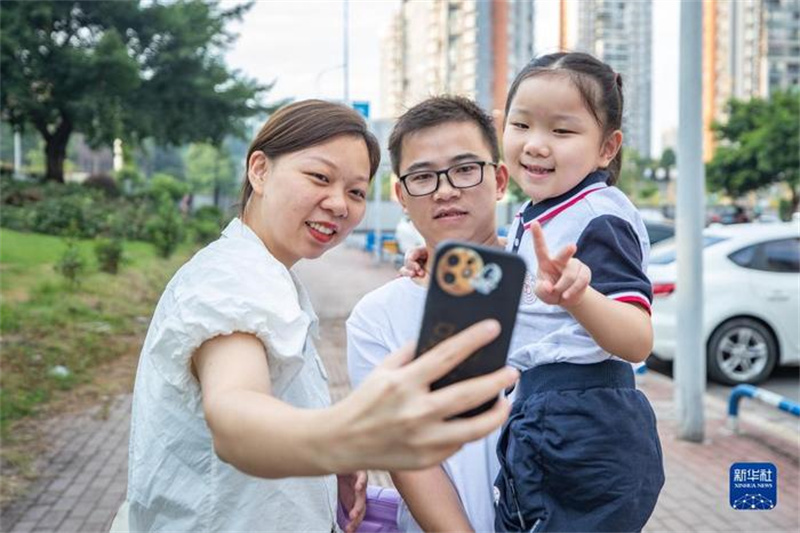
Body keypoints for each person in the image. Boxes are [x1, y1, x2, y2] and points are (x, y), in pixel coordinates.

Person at [124, 100, 518, 533]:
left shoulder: (267, 275)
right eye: (319, 177)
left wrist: (331, 463)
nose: (338, 204)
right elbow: (233, 414)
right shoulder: (229, 281)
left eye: (355, 191)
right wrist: (341, 438)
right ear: (260, 170)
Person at [493, 52, 665, 532]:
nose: (535, 145)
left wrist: (580, 298)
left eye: (562, 131)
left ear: (607, 149)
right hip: (549, 415)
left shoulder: (599, 215)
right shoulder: (539, 212)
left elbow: (636, 339)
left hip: (583, 422)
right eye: (522, 125)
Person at [347, 96, 510, 533]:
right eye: (422, 176)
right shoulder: (377, 317)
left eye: (464, 169)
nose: (445, 189)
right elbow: (406, 457)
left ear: (499, 179)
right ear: (400, 195)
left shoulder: (559, 287)